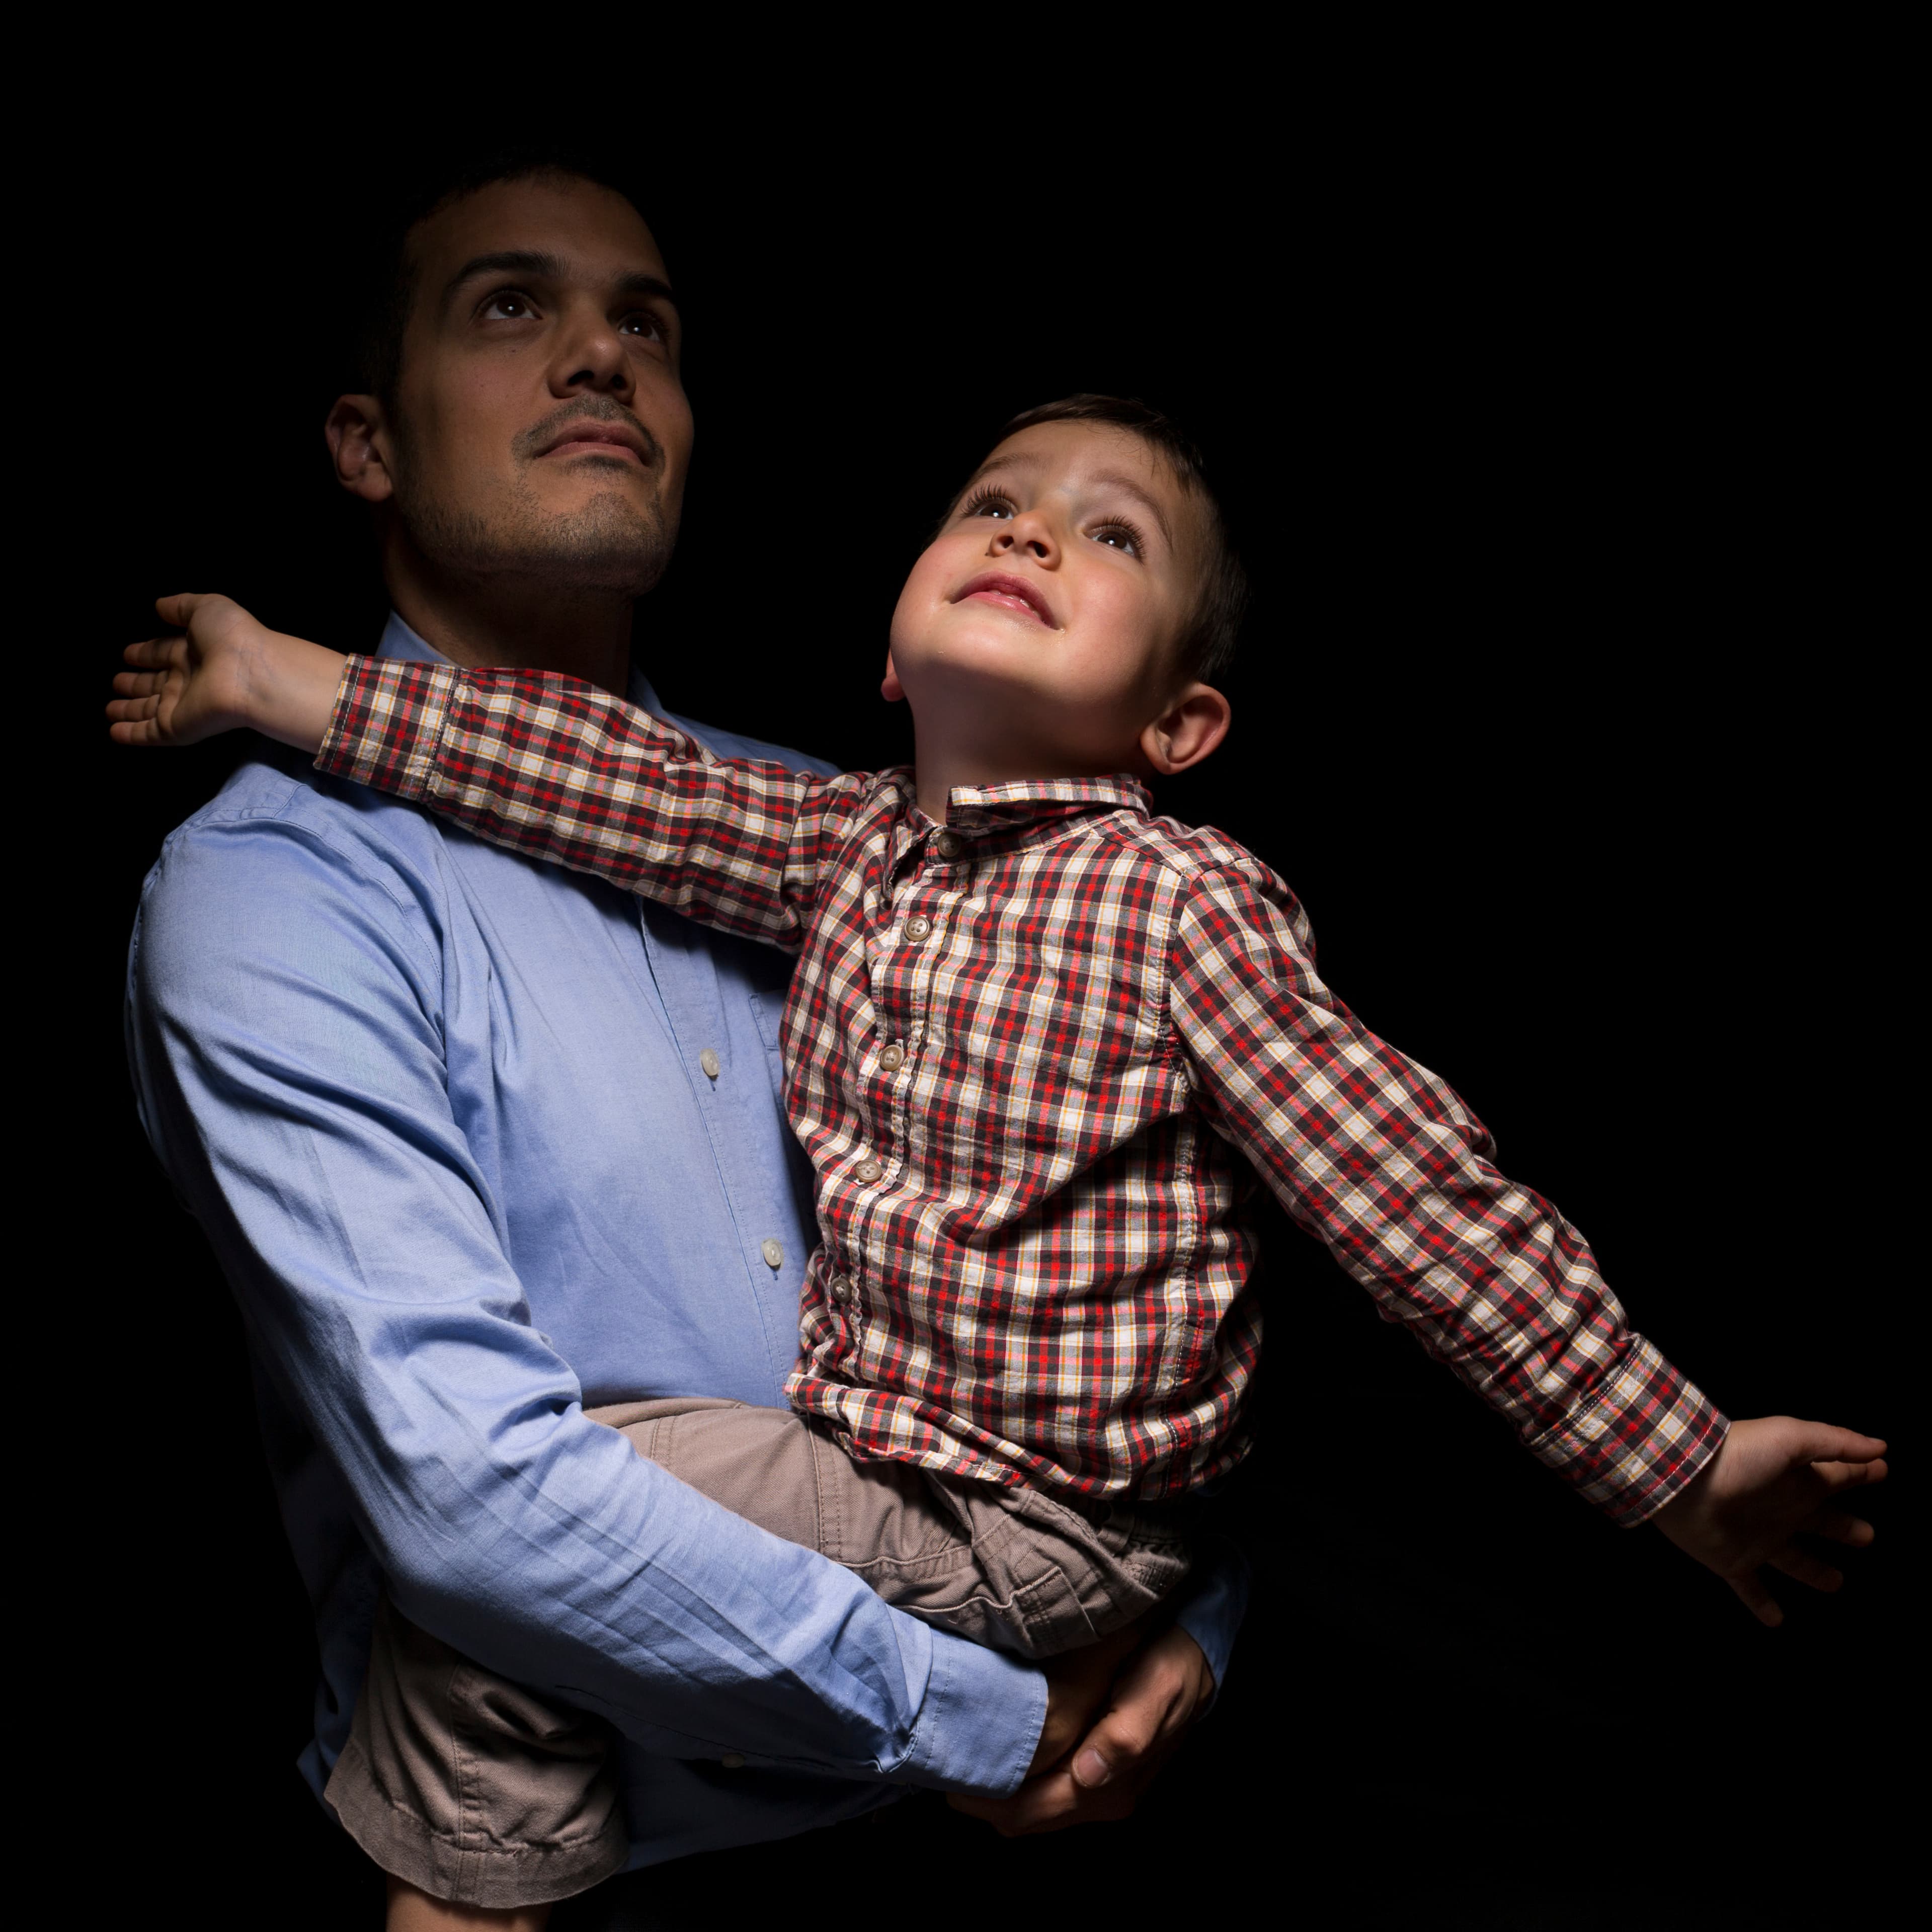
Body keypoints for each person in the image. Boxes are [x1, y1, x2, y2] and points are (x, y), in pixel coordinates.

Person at [113, 392, 1889, 1927]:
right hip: (907, 1493)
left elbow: (1415, 1198)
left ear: (1176, 729)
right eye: (992, 505)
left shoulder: (1178, 902)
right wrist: (282, 680)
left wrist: (1681, 1464)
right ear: (891, 657)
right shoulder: (840, 843)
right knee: (518, 1565)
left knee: (558, 1533)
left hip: (1035, 1528)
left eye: (1105, 535)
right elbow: (595, 777)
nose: (1032, 531)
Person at [116, 158, 1247, 1932]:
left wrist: (1187, 1614)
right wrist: (983, 1721)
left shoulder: (872, 840)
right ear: (366, 444)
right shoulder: (271, 897)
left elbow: (1152, 1260)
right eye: (513, 309)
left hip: (1017, 1858)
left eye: (644, 323)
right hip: (597, 1880)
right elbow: (471, 1498)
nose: (599, 360)